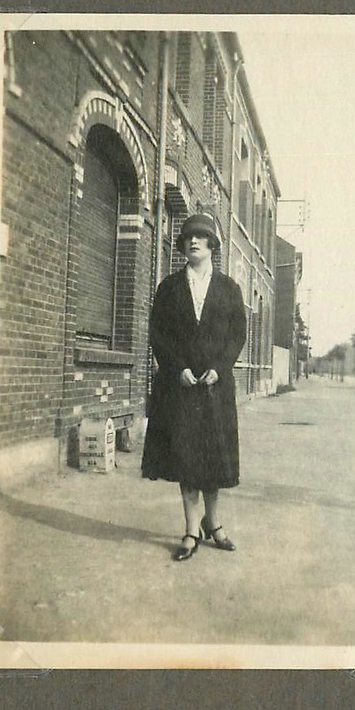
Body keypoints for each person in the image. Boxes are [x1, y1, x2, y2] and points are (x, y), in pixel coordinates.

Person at [141, 212, 248, 561]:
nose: (194, 241)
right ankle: (190, 530)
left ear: (213, 245)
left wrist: (220, 368)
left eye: (201, 237)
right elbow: (159, 335)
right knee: (186, 460)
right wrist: (177, 369)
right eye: (188, 237)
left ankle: (212, 522)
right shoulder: (169, 288)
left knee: (213, 461)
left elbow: (237, 337)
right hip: (182, 388)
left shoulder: (230, 290)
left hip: (216, 389)